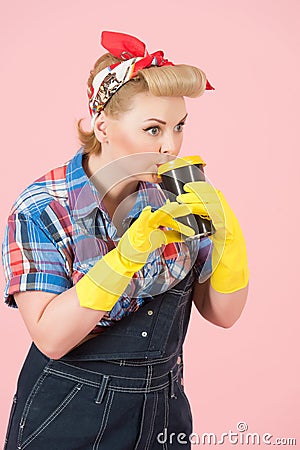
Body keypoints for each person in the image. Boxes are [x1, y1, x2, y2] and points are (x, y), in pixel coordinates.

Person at [2, 31, 249, 449]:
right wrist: (125, 258)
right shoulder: (43, 208)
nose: (170, 146)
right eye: (153, 130)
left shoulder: (179, 191)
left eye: (179, 127)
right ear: (103, 126)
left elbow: (223, 314)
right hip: (69, 413)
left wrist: (229, 238)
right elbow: (50, 338)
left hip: (164, 411)